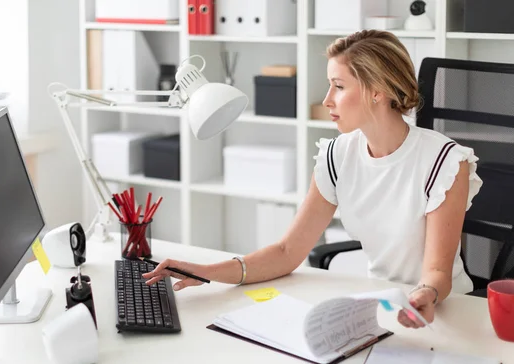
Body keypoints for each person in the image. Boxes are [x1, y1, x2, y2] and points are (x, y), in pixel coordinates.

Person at [143, 30, 483, 329]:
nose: (326, 100)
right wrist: (205, 272)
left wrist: (424, 295)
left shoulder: (445, 162)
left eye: (338, 86)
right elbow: (287, 251)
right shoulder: (337, 156)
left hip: (445, 313)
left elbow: (437, 272)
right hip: (380, 305)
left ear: (377, 92)